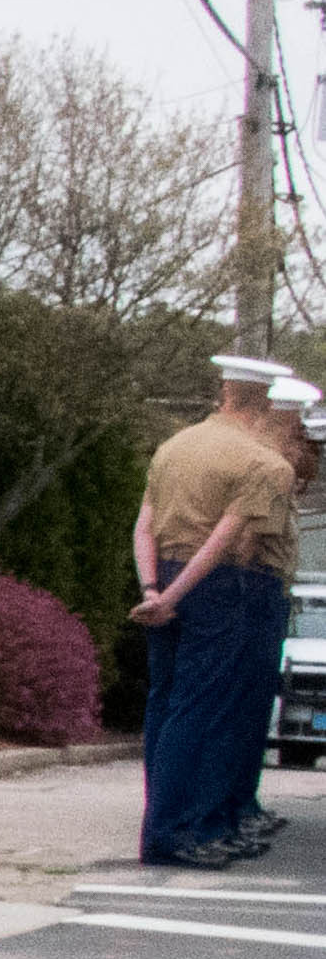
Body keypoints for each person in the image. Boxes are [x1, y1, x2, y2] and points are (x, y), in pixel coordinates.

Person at [129, 355, 302, 866]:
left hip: (162, 575)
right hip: (218, 585)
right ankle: (177, 830)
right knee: (205, 710)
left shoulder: (174, 447)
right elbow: (228, 541)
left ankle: (162, 824)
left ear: (224, 393)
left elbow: (144, 525)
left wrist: (153, 589)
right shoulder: (262, 461)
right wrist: (176, 595)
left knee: (165, 705)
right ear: (265, 403)